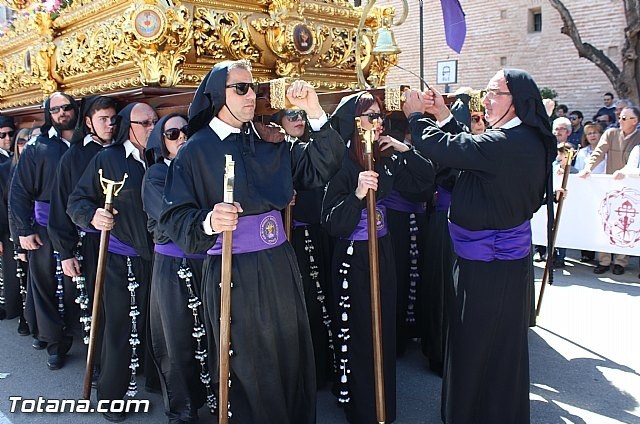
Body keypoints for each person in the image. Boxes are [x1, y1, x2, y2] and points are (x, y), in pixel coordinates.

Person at [159, 59, 345, 424]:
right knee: (248, 362)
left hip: (280, 267)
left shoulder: (267, 142)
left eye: (253, 88)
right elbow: (173, 216)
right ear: (217, 96)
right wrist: (210, 219)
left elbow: (320, 166)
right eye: (240, 88)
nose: (250, 96)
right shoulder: (195, 150)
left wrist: (314, 111)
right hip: (235, 273)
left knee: (289, 354)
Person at [403, 69, 554, 424]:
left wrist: (415, 116)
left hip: (489, 266)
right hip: (499, 264)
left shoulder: (507, 143)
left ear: (517, 101)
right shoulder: (521, 139)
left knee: (478, 343)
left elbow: (444, 148)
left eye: (495, 93)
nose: (486, 99)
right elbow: (469, 155)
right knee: (498, 344)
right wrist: (443, 115)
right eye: (486, 91)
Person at [322, 91, 434, 423]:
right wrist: (357, 194)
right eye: (370, 116)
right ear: (354, 123)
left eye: (380, 116)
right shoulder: (339, 163)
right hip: (355, 257)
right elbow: (332, 222)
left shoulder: (386, 155)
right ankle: (362, 406)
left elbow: (424, 181)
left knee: (382, 325)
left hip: (383, 250)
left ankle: (384, 402)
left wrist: (403, 147)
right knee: (360, 329)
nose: (378, 122)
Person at [67, 102, 157, 422]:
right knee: (120, 326)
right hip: (123, 256)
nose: (151, 127)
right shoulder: (107, 159)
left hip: (164, 256)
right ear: (126, 125)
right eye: (143, 122)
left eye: (154, 121)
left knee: (158, 324)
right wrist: (93, 215)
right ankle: (111, 395)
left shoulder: (165, 155)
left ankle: (157, 381)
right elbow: (77, 200)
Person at [142, 113, 213, 423]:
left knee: (212, 333)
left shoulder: (202, 170)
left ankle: (217, 399)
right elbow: (174, 219)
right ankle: (182, 411)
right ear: (161, 140)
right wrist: (207, 219)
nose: (181, 136)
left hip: (208, 262)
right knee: (176, 341)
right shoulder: (156, 176)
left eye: (186, 131)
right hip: (173, 266)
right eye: (172, 133)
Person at [9, 92, 79, 370]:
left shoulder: (87, 145)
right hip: (45, 227)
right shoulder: (38, 148)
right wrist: (23, 231)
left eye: (66, 108)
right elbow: (18, 193)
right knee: (47, 285)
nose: (61, 113)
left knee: (80, 285)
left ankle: (84, 336)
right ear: (48, 114)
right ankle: (54, 342)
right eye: (55, 109)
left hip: (84, 226)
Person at [271, 107, 336, 387]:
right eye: (291, 116)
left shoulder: (305, 149)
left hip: (316, 234)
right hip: (290, 239)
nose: (299, 120)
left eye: (301, 115)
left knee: (319, 302)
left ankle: (321, 368)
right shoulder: (273, 152)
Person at [48, 96, 117, 353]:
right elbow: (60, 205)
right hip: (88, 240)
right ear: (88, 122)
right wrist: (65, 253)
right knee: (95, 305)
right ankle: (99, 360)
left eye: (113, 119)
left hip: (124, 241)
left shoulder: (123, 151)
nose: (110, 124)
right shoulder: (73, 157)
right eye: (103, 119)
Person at [578, 106, 640, 276]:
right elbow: (599, 152)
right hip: (610, 187)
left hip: (632, 189)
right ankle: (604, 260)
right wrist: (588, 168)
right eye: (620, 117)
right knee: (606, 223)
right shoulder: (611, 134)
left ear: (634, 121)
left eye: (624, 118)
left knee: (626, 224)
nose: (619, 120)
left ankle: (620, 261)